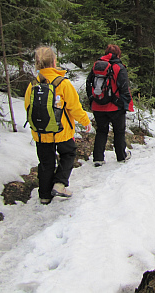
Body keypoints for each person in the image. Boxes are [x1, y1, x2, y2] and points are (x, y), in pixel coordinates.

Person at [25, 46, 91, 205]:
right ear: (54, 62)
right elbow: (74, 107)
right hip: (62, 131)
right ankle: (60, 184)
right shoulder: (63, 84)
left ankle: (45, 196)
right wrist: (85, 121)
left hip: (41, 133)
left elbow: (28, 107)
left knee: (46, 163)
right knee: (68, 154)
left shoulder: (32, 84)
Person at [86, 44, 134, 167]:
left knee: (101, 131)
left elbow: (88, 82)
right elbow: (124, 88)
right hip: (115, 106)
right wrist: (125, 103)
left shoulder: (96, 65)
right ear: (118, 54)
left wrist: (92, 99)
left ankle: (98, 158)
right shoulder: (119, 67)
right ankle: (121, 156)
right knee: (119, 131)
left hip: (98, 105)